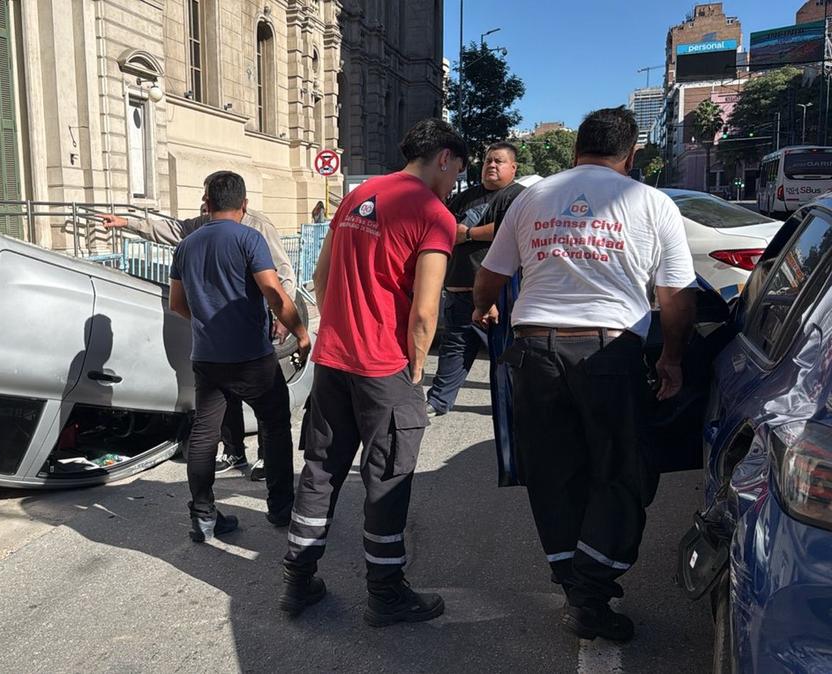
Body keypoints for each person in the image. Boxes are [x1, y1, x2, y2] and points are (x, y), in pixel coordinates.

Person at [473, 107, 695, 643]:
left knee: (555, 474)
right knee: (623, 472)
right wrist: (672, 359)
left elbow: (490, 276)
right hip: (608, 355)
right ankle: (592, 590)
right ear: (632, 155)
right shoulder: (652, 202)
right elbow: (677, 298)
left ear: (575, 151)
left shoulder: (532, 197)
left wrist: (484, 310)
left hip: (533, 353)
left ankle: (575, 582)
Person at [280, 119, 465, 626]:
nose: (452, 185)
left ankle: (298, 580)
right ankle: (385, 593)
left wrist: (342, 326)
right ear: (444, 158)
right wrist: (417, 368)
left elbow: (321, 276)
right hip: (384, 366)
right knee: (386, 477)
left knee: (321, 469)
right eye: (455, 173)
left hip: (334, 362)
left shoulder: (358, 195)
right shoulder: (434, 214)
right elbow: (425, 312)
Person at [100, 179, 296, 482]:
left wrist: (283, 319)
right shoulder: (198, 231)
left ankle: (242, 478)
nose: (204, 204)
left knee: (245, 413)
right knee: (244, 407)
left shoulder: (257, 229)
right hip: (225, 344)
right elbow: (171, 229)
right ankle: (238, 457)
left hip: (252, 336)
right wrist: (127, 222)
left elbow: (281, 278)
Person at [168, 171, 311, 542]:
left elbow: (177, 304)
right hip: (252, 357)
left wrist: (208, 322)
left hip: (207, 357)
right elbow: (275, 294)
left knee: (204, 433)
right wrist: (299, 332)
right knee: (276, 426)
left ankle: (202, 516)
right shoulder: (250, 237)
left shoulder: (186, 245)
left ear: (207, 202)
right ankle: (281, 509)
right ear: (243, 204)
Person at [425, 142, 525, 415]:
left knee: (505, 353)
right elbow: (443, 226)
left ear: (513, 168)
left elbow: (511, 230)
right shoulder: (465, 197)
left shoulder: (520, 197)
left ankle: (511, 405)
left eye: (499, 161)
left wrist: (468, 233)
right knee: (454, 350)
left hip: (500, 294)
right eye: (488, 161)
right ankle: (438, 401)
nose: (491, 165)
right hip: (458, 291)